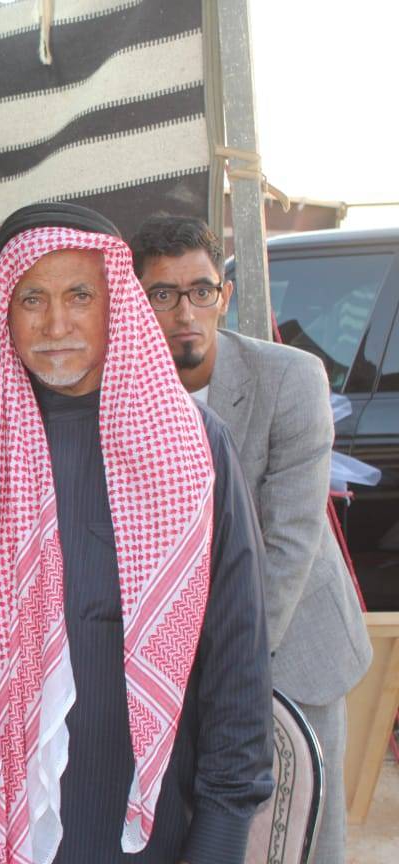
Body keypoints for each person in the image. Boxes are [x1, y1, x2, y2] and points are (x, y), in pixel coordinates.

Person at [0, 202, 273, 863]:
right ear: (3, 312)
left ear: (116, 303)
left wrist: (219, 838)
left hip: (121, 827)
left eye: (79, 296)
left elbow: (236, 660)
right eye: (32, 298)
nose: (55, 323)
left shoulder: (189, 448)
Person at [131, 214, 371, 864]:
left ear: (225, 295)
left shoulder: (291, 379)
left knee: (301, 839)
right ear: (135, 301)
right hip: (177, 662)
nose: (186, 313)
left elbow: (288, 545)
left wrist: (225, 676)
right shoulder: (120, 398)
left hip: (293, 647)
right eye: (163, 294)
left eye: (201, 290)